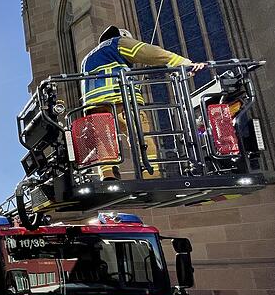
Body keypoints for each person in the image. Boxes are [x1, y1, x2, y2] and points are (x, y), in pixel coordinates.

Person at [80, 26, 206, 180]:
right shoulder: (117, 42)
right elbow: (144, 51)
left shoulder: (89, 57)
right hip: (120, 99)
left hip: (94, 106)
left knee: (104, 140)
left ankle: (108, 175)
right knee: (141, 136)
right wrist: (180, 62)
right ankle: (150, 174)